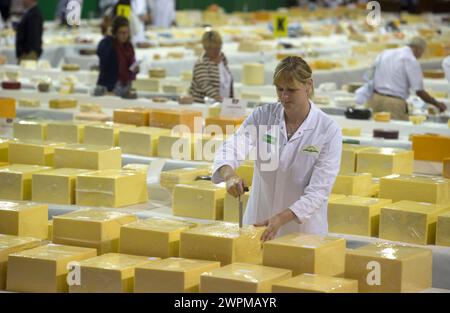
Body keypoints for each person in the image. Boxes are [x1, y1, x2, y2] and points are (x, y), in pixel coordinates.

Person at [212, 56, 342, 241]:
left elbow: (319, 191)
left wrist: (282, 218)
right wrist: (229, 175)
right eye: (279, 89)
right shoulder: (262, 116)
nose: (284, 97)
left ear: (308, 85)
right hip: (258, 225)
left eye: (291, 90)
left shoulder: (327, 129)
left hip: (301, 232)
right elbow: (232, 147)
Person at [367, 36, 447, 120]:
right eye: (422, 53)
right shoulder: (411, 60)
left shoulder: (385, 53)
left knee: (373, 130)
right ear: (418, 50)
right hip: (394, 103)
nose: (420, 56)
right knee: (392, 130)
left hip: (373, 99)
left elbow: (369, 75)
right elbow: (419, 91)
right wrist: (436, 104)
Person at [96, 16, 138, 96]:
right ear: (115, 32)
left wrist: (135, 69)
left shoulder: (129, 46)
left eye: (126, 32)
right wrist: (108, 37)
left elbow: (131, 65)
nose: (124, 35)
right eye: (121, 32)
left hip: (125, 87)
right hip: (109, 89)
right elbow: (100, 52)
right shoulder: (108, 44)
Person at [190, 30, 233, 103]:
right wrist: (221, 100)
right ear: (205, 48)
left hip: (222, 104)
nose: (216, 51)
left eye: (218, 48)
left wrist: (230, 102)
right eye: (211, 49)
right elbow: (206, 86)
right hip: (204, 105)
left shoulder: (223, 59)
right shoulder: (201, 63)